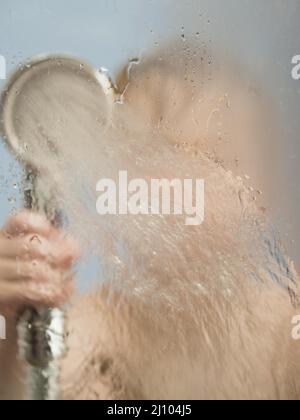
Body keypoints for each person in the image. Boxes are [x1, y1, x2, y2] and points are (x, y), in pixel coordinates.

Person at [0, 46, 300, 400]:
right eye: (144, 159)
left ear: (264, 198)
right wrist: (11, 336)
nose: (171, 187)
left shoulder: (286, 333)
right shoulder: (98, 330)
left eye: (211, 159)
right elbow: (34, 387)